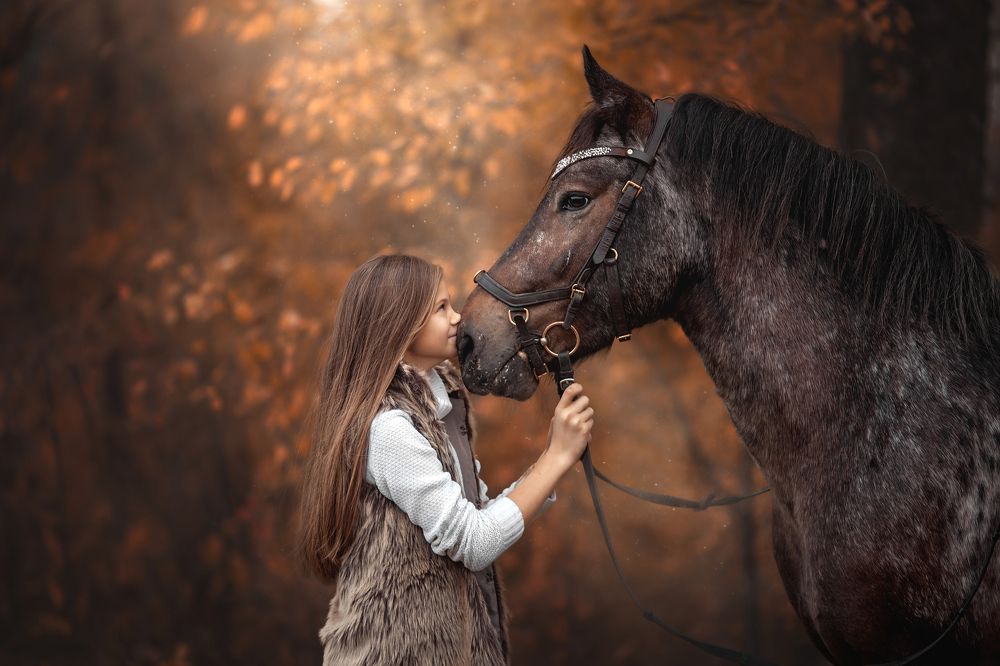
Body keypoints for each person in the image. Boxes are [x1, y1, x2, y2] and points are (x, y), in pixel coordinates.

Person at [297, 254, 594, 665]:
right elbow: (473, 542)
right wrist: (557, 457)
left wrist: (553, 455)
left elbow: (479, 516)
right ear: (397, 323)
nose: (457, 318)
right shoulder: (390, 429)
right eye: (441, 308)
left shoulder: (443, 406)